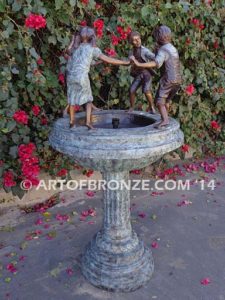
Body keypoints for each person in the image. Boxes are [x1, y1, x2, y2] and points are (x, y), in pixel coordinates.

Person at [66, 26, 130, 129]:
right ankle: (88, 122)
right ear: (92, 36)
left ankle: (71, 122)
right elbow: (108, 59)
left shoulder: (76, 48)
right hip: (82, 76)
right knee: (88, 100)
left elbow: (77, 58)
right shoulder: (93, 49)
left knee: (72, 100)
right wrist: (124, 62)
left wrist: (73, 41)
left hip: (71, 76)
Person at [130, 25, 182, 128]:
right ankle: (166, 118)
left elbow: (156, 63)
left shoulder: (163, 49)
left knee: (159, 101)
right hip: (178, 79)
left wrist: (139, 64)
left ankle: (165, 120)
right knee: (166, 100)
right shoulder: (171, 47)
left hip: (168, 79)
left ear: (159, 37)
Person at [127, 31, 156, 114]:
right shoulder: (131, 52)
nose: (138, 41)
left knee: (146, 90)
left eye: (138, 39)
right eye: (135, 40)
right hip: (138, 74)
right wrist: (130, 59)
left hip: (146, 73)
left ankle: (152, 107)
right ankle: (132, 107)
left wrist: (157, 56)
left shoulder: (144, 50)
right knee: (132, 90)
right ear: (131, 42)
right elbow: (128, 62)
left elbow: (153, 57)